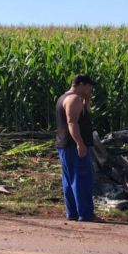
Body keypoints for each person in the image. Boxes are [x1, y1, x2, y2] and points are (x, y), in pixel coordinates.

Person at [55, 74, 97, 221]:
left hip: (65, 146)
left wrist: (87, 102)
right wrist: (80, 143)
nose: (90, 88)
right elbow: (72, 123)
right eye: (89, 86)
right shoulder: (74, 99)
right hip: (74, 146)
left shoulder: (65, 98)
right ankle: (85, 214)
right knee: (81, 180)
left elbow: (82, 118)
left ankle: (72, 213)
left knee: (69, 180)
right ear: (81, 84)